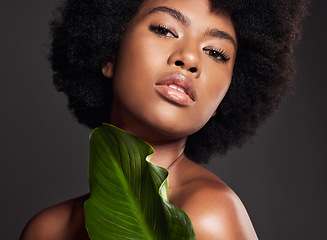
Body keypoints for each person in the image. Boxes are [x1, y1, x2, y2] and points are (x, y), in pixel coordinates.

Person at [20, 0, 309, 239]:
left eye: (215, 52)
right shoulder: (47, 229)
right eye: (165, 30)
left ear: (228, 95)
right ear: (109, 53)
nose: (190, 58)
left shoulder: (209, 216)